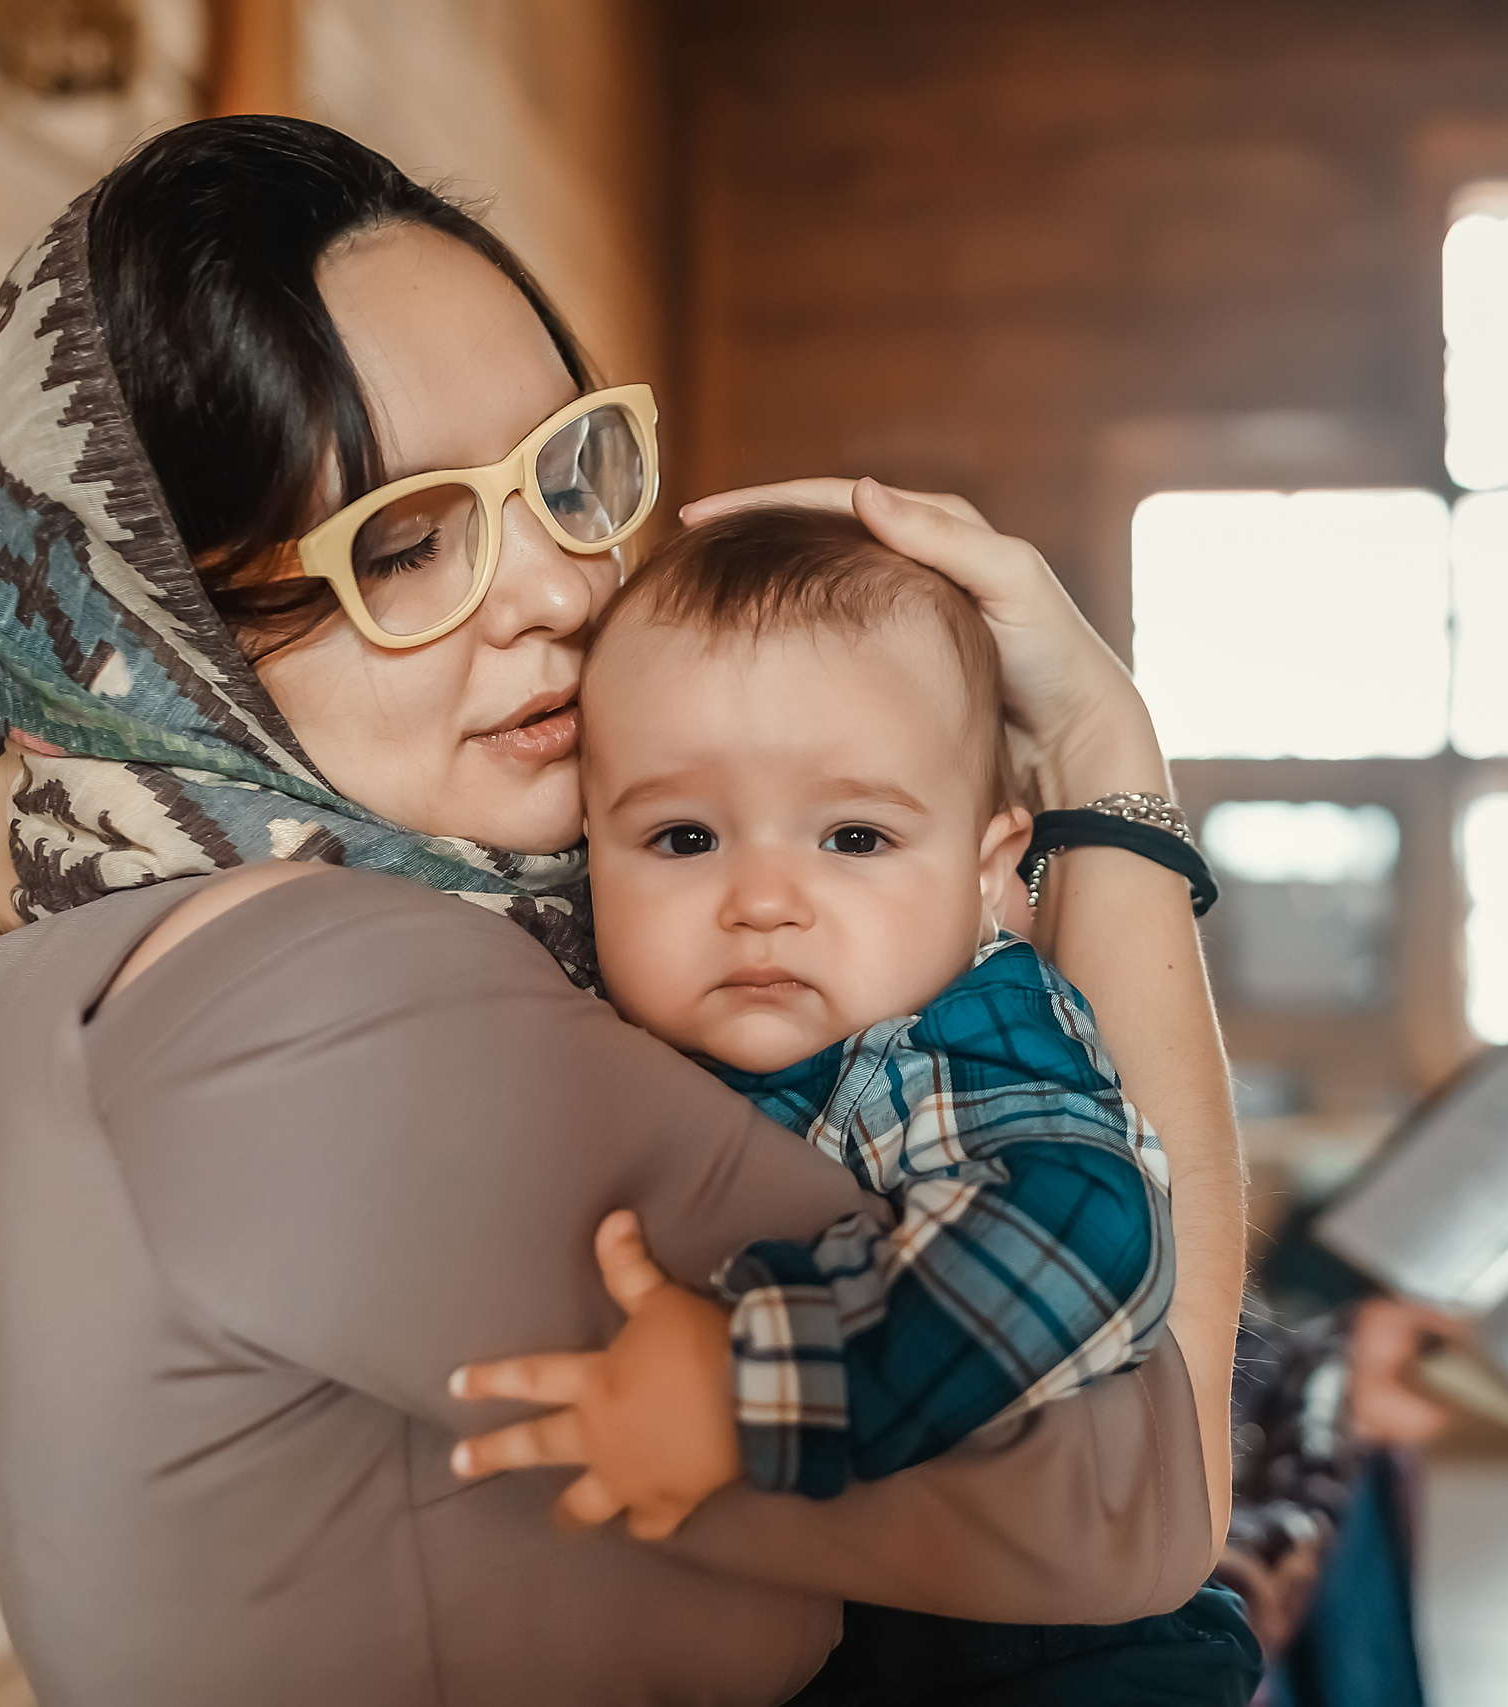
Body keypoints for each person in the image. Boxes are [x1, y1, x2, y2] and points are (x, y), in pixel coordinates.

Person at [0, 114, 1256, 1706]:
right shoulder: (318, 1008)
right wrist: (1110, 759)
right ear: (135, 641)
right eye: (407, 543)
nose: (563, 586)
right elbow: (1145, 1485)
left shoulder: (164, 978)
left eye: (565, 477)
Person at [450, 504, 1259, 1703]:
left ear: (990, 874)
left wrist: (750, 1378)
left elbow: (1085, 1220)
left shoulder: (942, 1039)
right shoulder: (606, 1040)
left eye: (853, 835)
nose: (764, 899)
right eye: (683, 837)